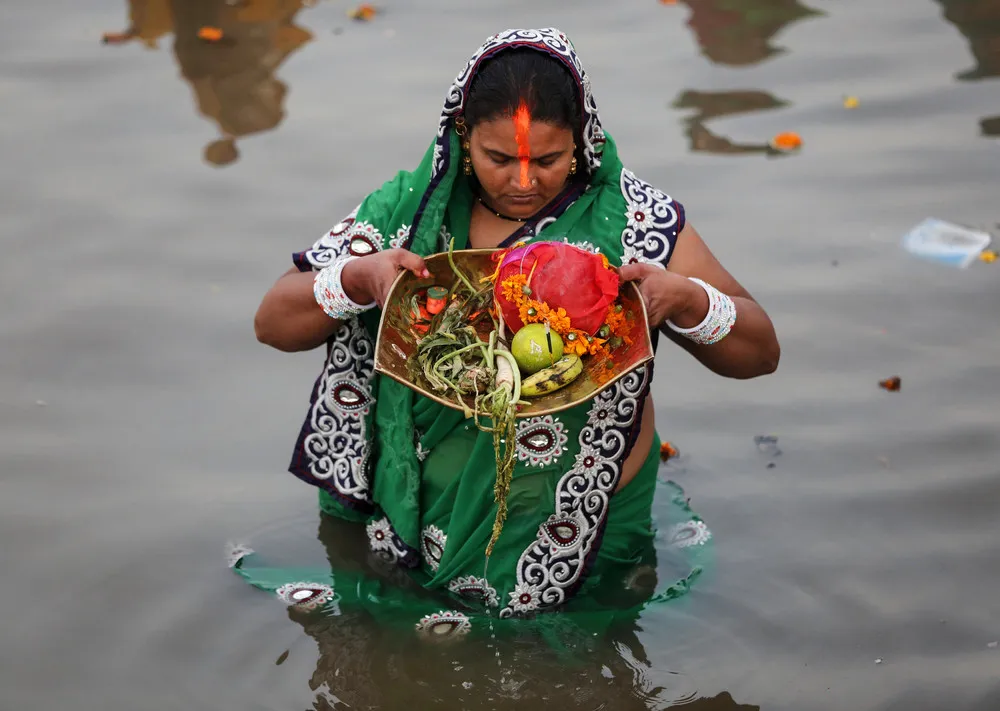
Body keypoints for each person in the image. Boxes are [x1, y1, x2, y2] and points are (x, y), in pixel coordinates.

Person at [241, 28, 779, 639]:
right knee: (397, 670)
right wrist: (357, 280)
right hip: (414, 516)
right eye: (499, 159)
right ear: (463, 135)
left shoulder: (634, 221)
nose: (523, 182)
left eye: (548, 160)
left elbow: (760, 352)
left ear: (580, 138)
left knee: (591, 674)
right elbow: (272, 322)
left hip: (583, 525)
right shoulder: (408, 211)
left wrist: (686, 300)